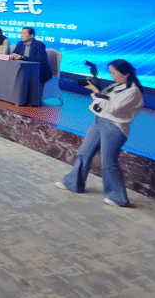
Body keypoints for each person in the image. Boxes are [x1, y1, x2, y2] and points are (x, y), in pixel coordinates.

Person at [56, 60, 144, 207]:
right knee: (84, 153)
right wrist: (94, 89)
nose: (112, 76)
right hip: (99, 121)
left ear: (126, 74)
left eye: (114, 73)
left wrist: (96, 91)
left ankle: (118, 198)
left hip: (115, 127)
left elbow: (114, 108)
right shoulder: (116, 86)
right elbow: (101, 101)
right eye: (111, 73)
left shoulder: (133, 92)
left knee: (109, 161)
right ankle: (73, 183)